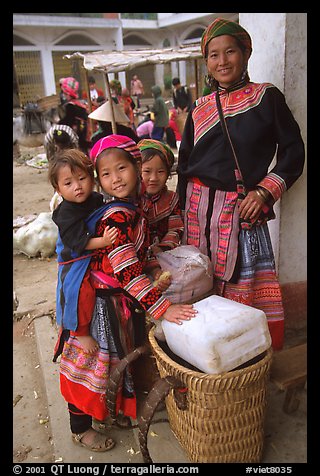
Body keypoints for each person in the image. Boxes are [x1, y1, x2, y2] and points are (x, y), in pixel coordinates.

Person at [54, 134, 196, 451]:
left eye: (122, 168)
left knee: (114, 361)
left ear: (137, 165)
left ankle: (108, 409)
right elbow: (126, 269)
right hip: (95, 308)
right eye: (106, 174)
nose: (115, 178)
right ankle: (80, 427)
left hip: (115, 303)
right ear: (99, 179)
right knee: (90, 364)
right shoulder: (117, 215)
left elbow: (139, 254)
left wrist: (155, 265)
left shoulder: (134, 207)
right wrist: (163, 309)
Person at [177, 17, 305, 351]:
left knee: (243, 299)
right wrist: (177, 216)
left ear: (245, 54)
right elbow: (185, 163)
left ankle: (245, 361)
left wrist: (265, 191)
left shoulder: (266, 98)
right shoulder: (199, 109)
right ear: (206, 62)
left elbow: (293, 151)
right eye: (213, 55)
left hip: (242, 214)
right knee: (198, 290)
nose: (222, 61)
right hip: (197, 215)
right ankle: (203, 364)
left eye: (229, 52)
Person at [138, 138, 183, 260]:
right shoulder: (130, 200)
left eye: (160, 171)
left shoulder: (171, 199)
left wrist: (162, 247)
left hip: (165, 256)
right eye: (146, 171)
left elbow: (176, 228)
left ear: (168, 174)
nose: (153, 178)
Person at [58, 77, 89, 154]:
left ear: (68, 94)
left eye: (65, 93)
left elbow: (67, 122)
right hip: (84, 136)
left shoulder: (70, 106)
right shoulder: (81, 103)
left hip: (77, 139)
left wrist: (57, 124)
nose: (64, 96)